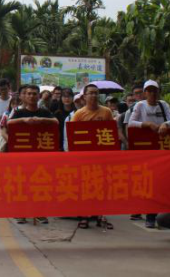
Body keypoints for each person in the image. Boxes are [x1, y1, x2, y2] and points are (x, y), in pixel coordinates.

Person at [128, 79, 170, 228]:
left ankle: (155, 214)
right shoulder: (140, 105)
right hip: (145, 149)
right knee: (147, 180)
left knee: (160, 181)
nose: (152, 93)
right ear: (145, 93)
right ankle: (146, 212)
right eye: (149, 91)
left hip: (162, 148)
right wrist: (147, 124)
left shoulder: (163, 105)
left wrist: (165, 124)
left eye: (154, 90)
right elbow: (131, 122)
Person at [9, 84, 58, 225]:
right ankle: (21, 213)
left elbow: (55, 122)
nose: (31, 96)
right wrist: (23, 120)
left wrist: (41, 120)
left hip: (40, 154)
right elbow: (9, 123)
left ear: (39, 96)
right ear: (24, 96)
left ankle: (39, 212)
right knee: (22, 184)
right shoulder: (19, 112)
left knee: (40, 183)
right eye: (29, 93)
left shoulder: (44, 112)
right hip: (22, 154)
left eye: (35, 94)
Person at [70, 83, 114, 229]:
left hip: (102, 157)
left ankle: (102, 215)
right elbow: (73, 136)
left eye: (96, 93)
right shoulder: (79, 114)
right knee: (85, 186)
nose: (94, 95)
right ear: (84, 96)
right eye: (91, 93)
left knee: (103, 186)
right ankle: (84, 216)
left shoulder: (106, 112)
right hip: (85, 158)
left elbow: (111, 133)